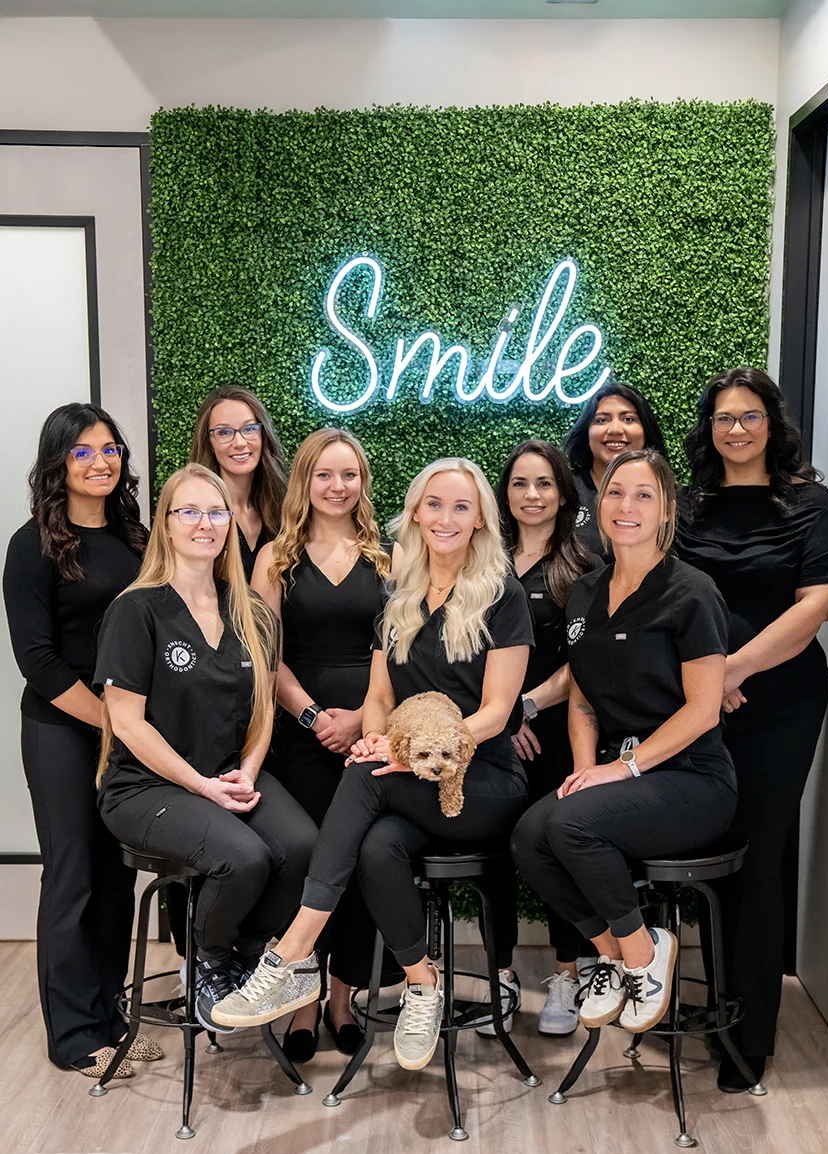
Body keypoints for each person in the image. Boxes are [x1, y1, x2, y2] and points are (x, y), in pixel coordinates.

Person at [211, 458, 534, 1076]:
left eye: (462, 507)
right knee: (375, 847)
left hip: (481, 783)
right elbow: (380, 698)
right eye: (434, 504)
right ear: (415, 512)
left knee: (360, 776)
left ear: (481, 522)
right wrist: (375, 737)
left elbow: (496, 713)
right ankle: (421, 983)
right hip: (413, 784)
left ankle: (293, 952)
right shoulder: (400, 592)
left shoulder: (502, 594)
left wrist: (398, 749)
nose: (446, 518)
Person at [511, 448, 737, 1036]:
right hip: (619, 774)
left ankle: (643, 952)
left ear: (666, 511)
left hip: (692, 779)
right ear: (598, 503)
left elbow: (703, 709)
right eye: (616, 493)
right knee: (530, 836)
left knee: (569, 826)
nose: (626, 506)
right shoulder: (586, 591)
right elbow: (583, 697)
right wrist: (584, 771)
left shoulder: (692, 592)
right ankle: (613, 950)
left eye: (643, 495)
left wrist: (623, 769)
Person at [93, 463, 316, 1034]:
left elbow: (263, 709)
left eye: (216, 512)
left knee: (302, 846)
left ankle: (241, 956)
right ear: (165, 524)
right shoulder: (136, 609)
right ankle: (209, 964)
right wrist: (202, 787)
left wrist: (244, 772)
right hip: (146, 787)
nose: (204, 523)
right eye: (189, 511)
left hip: (227, 773)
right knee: (244, 858)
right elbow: (127, 723)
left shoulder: (251, 612)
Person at [677, 368, 828, 1091]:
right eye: (723, 418)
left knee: (760, 853)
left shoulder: (810, 501)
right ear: (708, 428)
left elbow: (824, 601)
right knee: (714, 849)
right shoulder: (688, 505)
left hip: (780, 703)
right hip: (696, 707)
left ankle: (749, 1038)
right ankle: (716, 1007)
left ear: (773, 425)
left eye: (750, 417)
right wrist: (706, 685)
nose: (736, 429)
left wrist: (735, 670)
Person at [2, 402, 153, 1079]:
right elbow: (38, 660)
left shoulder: (139, 539)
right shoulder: (30, 545)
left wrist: (134, 726)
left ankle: (110, 1012)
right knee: (72, 876)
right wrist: (114, 722)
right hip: (64, 726)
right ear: (58, 463)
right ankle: (72, 1032)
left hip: (127, 729)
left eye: (110, 448)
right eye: (83, 451)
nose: (101, 461)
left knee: (117, 873)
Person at [252, 426, 395, 1062]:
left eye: (350, 475)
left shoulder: (388, 556)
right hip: (301, 737)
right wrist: (315, 718)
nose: (338, 487)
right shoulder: (274, 558)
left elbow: (398, 650)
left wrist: (365, 719)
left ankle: (344, 1001)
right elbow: (265, 655)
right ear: (304, 482)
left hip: (372, 737)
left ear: (363, 482)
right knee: (311, 863)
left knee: (361, 862)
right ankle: (302, 1004)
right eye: (324, 475)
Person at [495, 440, 601, 1037]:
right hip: (489, 735)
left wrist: (527, 708)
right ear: (504, 494)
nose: (531, 496)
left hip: (556, 734)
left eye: (544, 485)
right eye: (519, 484)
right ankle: (501, 975)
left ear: (564, 494)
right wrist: (499, 720)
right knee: (494, 850)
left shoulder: (583, 567)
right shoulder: (483, 560)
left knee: (557, 848)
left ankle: (567, 972)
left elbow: (584, 661)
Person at [188, 385, 288, 580]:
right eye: (224, 432)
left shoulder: (283, 509)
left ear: (263, 434)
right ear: (209, 441)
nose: (240, 442)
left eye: (249, 429)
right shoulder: (194, 515)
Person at [562, 381, 668, 558]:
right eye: (602, 420)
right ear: (587, 435)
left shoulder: (667, 494)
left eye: (628, 419)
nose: (615, 430)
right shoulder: (566, 492)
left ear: (645, 432)